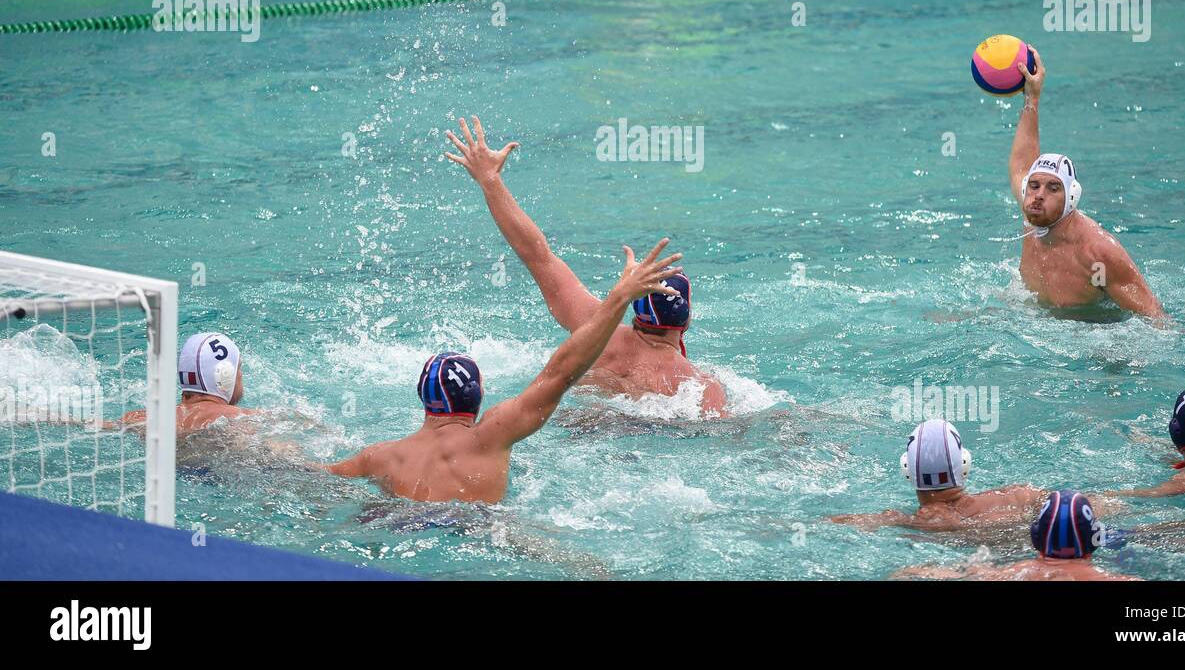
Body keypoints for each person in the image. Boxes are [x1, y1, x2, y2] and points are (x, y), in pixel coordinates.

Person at [327, 238, 682, 504]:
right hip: (475, 528)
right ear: (478, 397)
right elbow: (561, 373)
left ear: (423, 399)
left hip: (400, 523)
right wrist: (619, 297)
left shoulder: (379, 456)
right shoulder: (490, 435)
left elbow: (316, 477)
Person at [445, 116, 727, 416]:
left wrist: (490, 179)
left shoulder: (591, 329)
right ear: (687, 318)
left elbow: (537, 254)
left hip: (577, 427)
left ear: (634, 304)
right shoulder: (700, 387)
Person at [1007, 47, 1164, 318]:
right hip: (1035, 320)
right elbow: (1022, 162)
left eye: (1053, 188)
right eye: (1034, 186)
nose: (1039, 195)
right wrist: (1032, 98)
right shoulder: (1034, 210)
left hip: (1093, 334)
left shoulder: (1099, 253)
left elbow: (1153, 316)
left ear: (1071, 198)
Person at [830, 419, 1045, 533]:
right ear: (964, 464)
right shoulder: (1021, 496)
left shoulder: (910, 522)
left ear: (907, 469)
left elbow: (832, 524)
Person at [894, 490, 1138, 581]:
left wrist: (909, 571)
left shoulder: (1006, 575)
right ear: (1094, 540)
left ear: (1036, 537)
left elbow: (929, 574)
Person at [115, 332, 253, 435]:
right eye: (238, 367)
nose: (241, 374)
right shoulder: (240, 418)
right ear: (225, 375)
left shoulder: (140, 418)